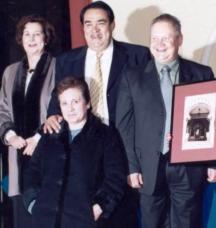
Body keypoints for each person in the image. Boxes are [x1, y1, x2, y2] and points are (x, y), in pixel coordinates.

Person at [43, 1, 151, 227]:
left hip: (124, 150)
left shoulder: (137, 56)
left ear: (112, 25)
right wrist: (52, 115)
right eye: (88, 24)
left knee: (122, 216)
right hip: (84, 154)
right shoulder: (66, 61)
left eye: (101, 23)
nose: (95, 30)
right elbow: (58, 99)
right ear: (82, 28)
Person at [116, 14, 216, 228]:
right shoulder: (131, 76)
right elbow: (124, 126)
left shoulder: (202, 73)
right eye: (154, 38)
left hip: (189, 166)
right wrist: (131, 167)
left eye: (166, 38)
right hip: (148, 168)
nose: (159, 44)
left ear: (179, 39)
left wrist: (213, 160)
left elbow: (214, 120)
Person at [22, 77, 127, 228]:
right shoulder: (49, 134)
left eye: (75, 102)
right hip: (45, 220)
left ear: (88, 103)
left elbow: (115, 178)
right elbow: (32, 172)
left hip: (85, 221)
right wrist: (33, 204)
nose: (70, 108)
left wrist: (99, 207)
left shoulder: (105, 135)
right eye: (64, 103)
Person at [0, 14, 56, 228]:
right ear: (20, 39)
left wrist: (38, 137)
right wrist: (10, 136)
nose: (31, 39)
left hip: (48, 150)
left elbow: (61, 110)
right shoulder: (10, 72)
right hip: (17, 153)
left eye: (37, 34)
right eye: (27, 34)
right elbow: (2, 109)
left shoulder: (58, 67)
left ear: (45, 38)